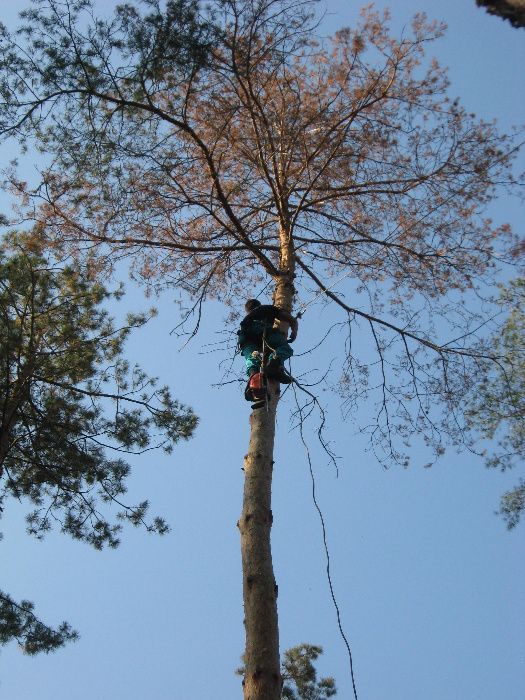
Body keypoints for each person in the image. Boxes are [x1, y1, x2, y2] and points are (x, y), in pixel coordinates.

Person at [238, 298, 298, 383]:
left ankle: (254, 376)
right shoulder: (267, 309)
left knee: (252, 356)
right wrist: (294, 330)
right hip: (262, 330)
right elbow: (291, 319)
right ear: (259, 305)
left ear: (247, 310)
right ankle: (274, 364)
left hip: (245, 337)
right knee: (285, 348)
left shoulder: (246, 319)